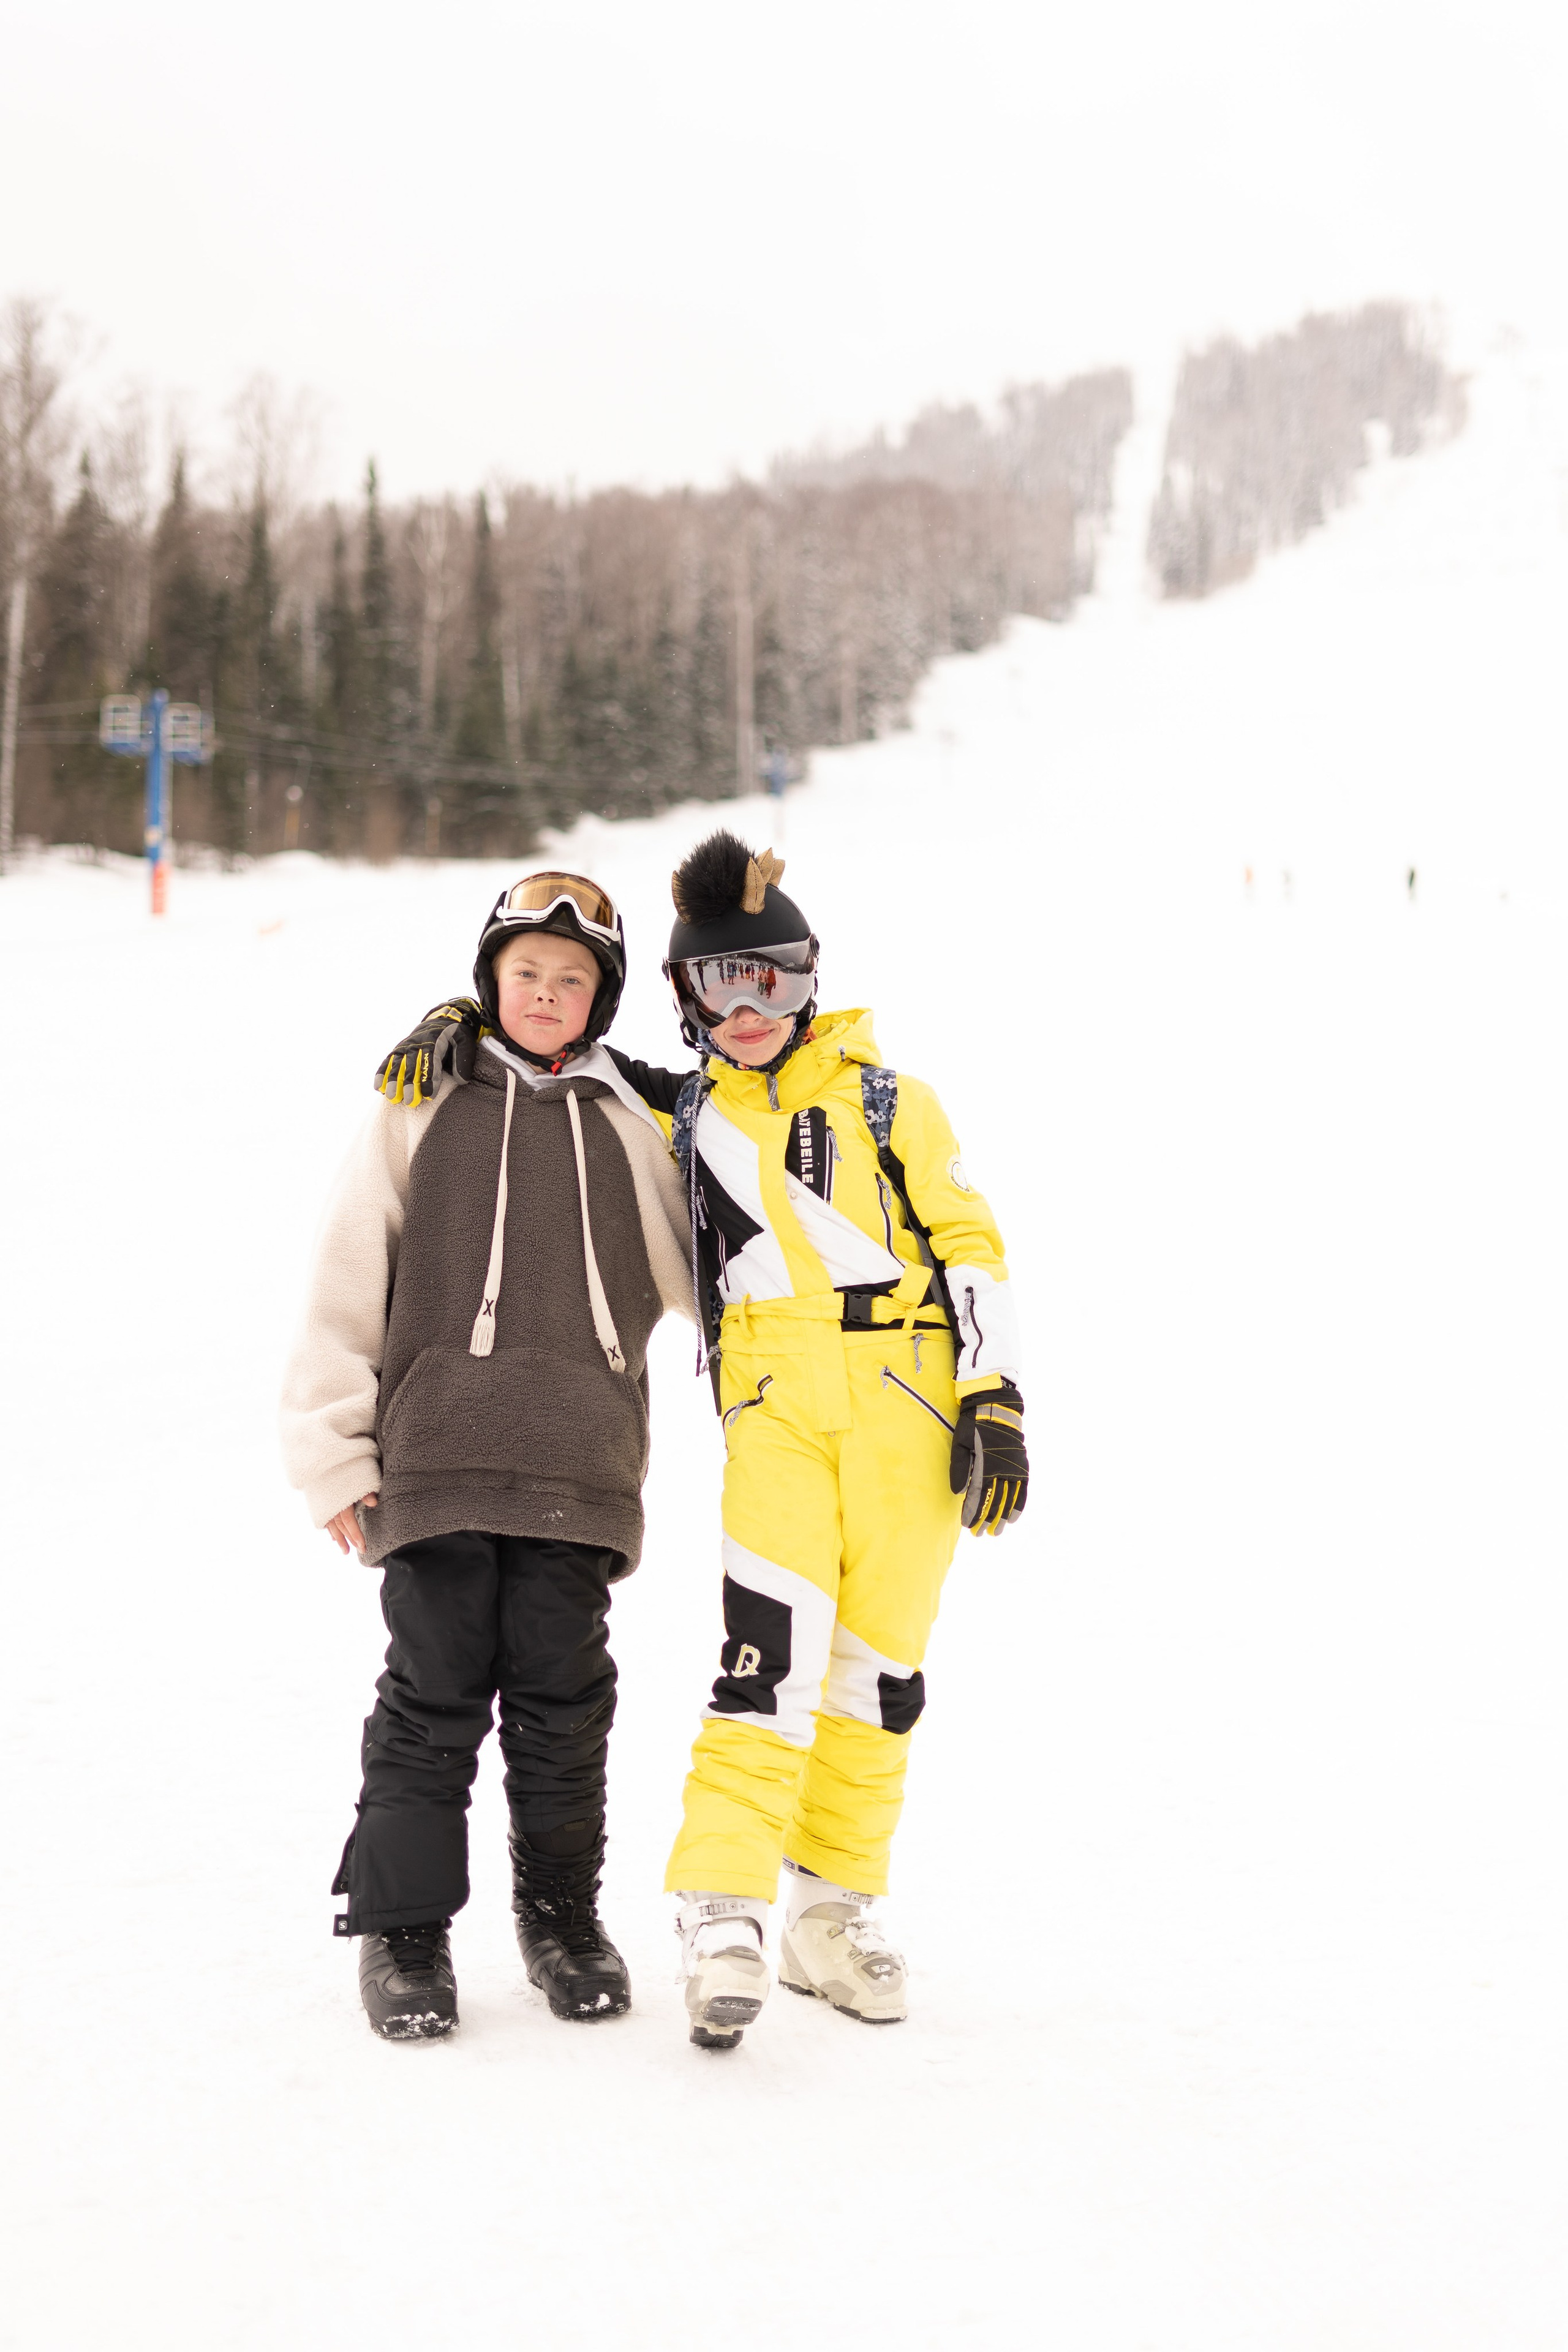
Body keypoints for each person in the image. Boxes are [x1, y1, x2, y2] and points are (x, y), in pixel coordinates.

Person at [375, 831, 1028, 2052]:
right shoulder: (675, 1109)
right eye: (711, 989)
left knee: (878, 1677)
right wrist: (453, 1020)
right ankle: (720, 1904)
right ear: (679, 1003)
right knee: (764, 1657)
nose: (741, 1012)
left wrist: (991, 1392)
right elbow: (549, 1037)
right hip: (777, 1402)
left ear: (805, 981)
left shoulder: (891, 1102)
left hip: (910, 1397)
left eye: (765, 982)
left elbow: (968, 1241)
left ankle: (830, 1912)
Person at [279, 873, 692, 2040]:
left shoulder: (633, 1123)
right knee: (432, 1698)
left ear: (603, 997)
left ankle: (561, 1920)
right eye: (526, 975)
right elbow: (347, 1279)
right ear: (490, 982)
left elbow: (712, 1276)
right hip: (437, 1456)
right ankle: (404, 1936)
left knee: (566, 1704)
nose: (548, 995)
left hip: (579, 1460)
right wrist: (333, 1453)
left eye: (573, 980)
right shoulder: (421, 1101)